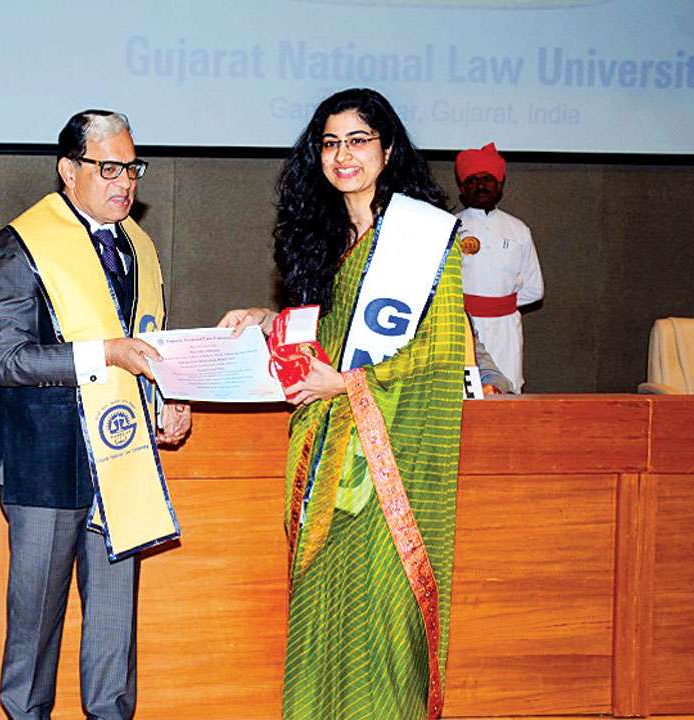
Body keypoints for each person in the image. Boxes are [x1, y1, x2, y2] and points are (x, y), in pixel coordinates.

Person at [221, 88, 464, 719]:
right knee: (327, 617)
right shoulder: (329, 239)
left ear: (387, 149)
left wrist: (349, 386)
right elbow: (326, 340)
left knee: (380, 622)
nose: (343, 155)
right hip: (331, 470)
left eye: (358, 140)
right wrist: (268, 321)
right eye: (330, 142)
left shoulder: (422, 240)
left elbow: (435, 361)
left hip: (390, 475)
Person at [0, 109, 191, 720]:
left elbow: (150, 342)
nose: (125, 182)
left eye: (132, 168)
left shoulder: (139, 247)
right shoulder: (20, 245)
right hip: (46, 463)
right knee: (35, 631)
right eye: (108, 168)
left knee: (114, 631)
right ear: (68, 171)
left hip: (122, 459)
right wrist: (106, 353)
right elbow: (9, 359)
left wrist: (168, 394)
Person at [455, 142, 544, 391]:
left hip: (505, 329)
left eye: (487, 179)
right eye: (472, 180)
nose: (481, 185)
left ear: (500, 185)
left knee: (507, 394)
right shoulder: (448, 227)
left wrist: (497, 307)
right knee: (464, 396)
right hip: (461, 328)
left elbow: (535, 289)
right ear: (462, 188)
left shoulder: (519, 230)